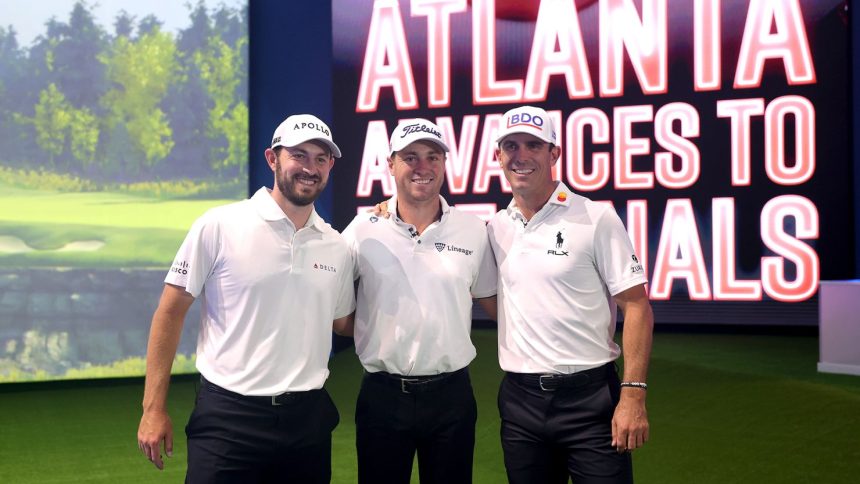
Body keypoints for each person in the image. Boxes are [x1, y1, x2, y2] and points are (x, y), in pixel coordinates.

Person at [136, 114, 355, 483]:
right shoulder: (220, 225)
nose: (310, 168)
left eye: (320, 159)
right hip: (228, 418)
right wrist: (153, 407)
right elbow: (169, 312)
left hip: (307, 422)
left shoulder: (336, 244)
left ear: (330, 166)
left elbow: (343, 323)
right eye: (298, 155)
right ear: (272, 159)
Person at [487, 106, 654, 483]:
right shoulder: (496, 227)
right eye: (511, 145)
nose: (521, 155)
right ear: (498, 156)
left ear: (554, 154)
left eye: (534, 144)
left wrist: (633, 396)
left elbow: (637, 306)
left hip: (591, 401)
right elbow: (491, 297)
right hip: (520, 403)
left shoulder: (596, 217)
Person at [339, 118, 497, 484]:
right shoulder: (363, 229)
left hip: (452, 397)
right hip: (382, 395)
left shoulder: (473, 230)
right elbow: (330, 303)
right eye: (411, 157)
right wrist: (368, 331)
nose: (422, 167)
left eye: (432, 156)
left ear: (443, 164)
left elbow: (495, 302)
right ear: (391, 164)